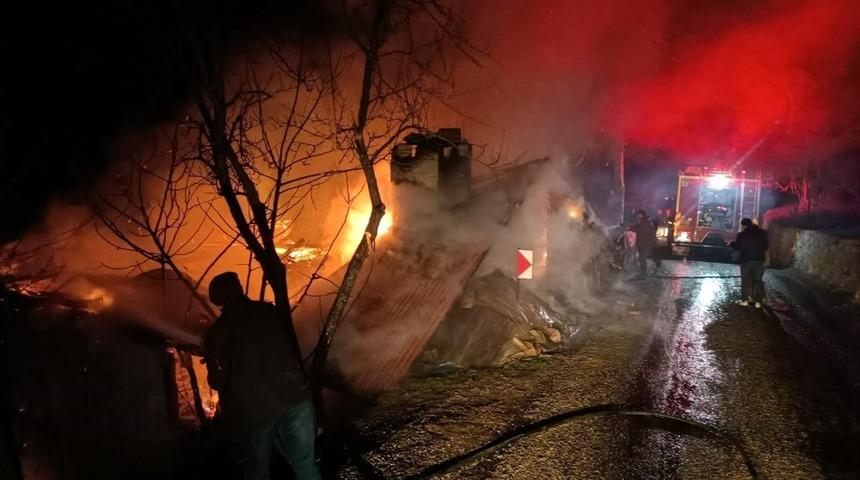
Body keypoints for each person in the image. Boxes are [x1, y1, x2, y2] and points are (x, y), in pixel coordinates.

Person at [204, 272, 321, 480]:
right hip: (295, 397)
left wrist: (213, 362)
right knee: (306, 466)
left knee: (257, 472)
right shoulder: (268, 311)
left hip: (257, 410)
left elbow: (218, 381)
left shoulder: (218, 332)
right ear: (239, 289)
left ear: (218, 299)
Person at [731, 218, 769, 308]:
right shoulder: (762, 233)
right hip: (759, 261)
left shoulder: (742, 235)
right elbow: (766, 248)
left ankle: (745, 300)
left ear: (744, 225)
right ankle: (758, 302)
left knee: (745, 281)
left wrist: (732, 244)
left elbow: (737, 248)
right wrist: (768, 260)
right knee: (758, 281)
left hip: (746, 261)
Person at [632, 209, 660, 277]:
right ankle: (656, 262)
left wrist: (631, 228)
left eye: (638, 215)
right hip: (647, 242)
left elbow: (640, 230)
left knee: (642, 259)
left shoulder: (644, 222)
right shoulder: (646, 221)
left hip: (644, 243)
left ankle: (643, 274)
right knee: (643, 258)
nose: (637, 217)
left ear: (641, 215)